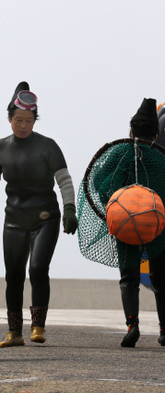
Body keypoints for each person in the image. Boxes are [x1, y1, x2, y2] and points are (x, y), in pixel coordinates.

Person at [0, 82, 78, 348]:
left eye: (28, 120)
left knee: (37, 269)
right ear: (10, 119)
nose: (23, 125)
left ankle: (38, 327)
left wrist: (69, 207)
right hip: (13, 220)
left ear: (35, 120)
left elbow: (65, 181)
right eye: (18, 120)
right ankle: (14, 332)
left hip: (45, 218)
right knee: (13, 275)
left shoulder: (48, 146)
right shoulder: (0, 147)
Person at [94, 98, 165, 347]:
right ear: (156, 135)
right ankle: (164, 329)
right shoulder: (160, 158)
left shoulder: (120, 154)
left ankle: (132, 326)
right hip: (156, 226)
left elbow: (99, 182)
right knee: (160, 278)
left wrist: (115, 205)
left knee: (129, 277)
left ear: (131, 131)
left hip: (126, 225)